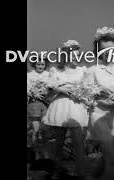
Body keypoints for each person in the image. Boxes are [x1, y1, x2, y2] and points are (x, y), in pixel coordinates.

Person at [42, 40, 89, 178]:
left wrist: (79, 91)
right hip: (60, 107)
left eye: (78, 56)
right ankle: (56, 171)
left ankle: (81, 172)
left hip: (76, 107)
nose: (76, 58)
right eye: (73, 56)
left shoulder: (83, 70)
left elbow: (88, 89)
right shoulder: (55, 70)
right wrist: (61, 89)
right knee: (59, 143)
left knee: (78, 142)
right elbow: (49, 89)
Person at [84, 26, 114, 180]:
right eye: (104, 50)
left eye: (112, 49)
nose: (108, 53)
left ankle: (92, 177)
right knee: (111, 156)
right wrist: (99, 97)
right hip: (99, 115)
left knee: (108, 156)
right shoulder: (93, 70)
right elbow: (86, 96)